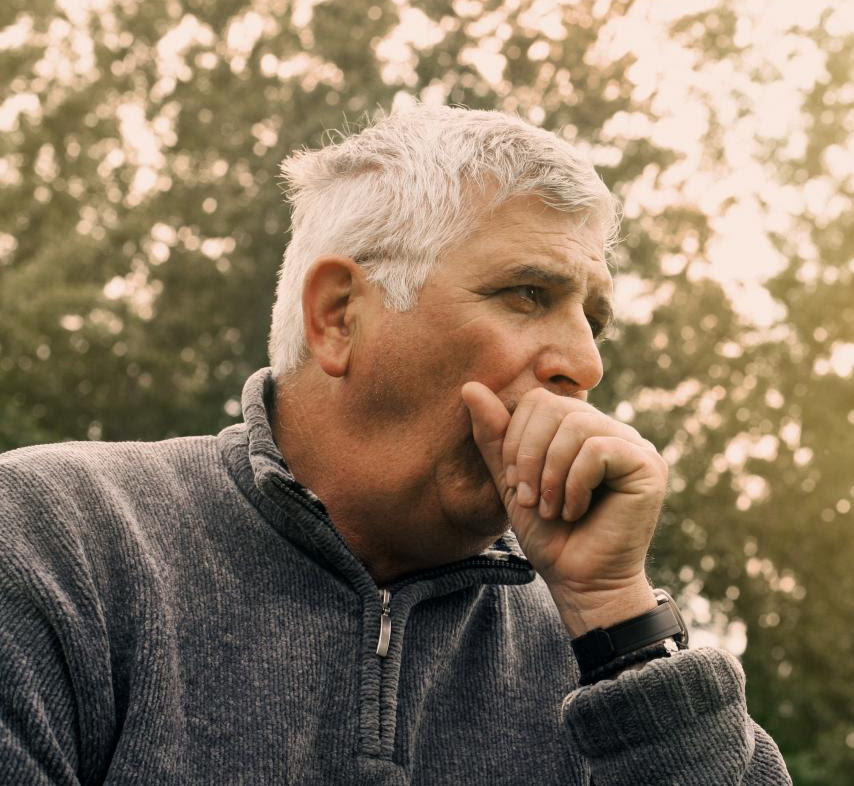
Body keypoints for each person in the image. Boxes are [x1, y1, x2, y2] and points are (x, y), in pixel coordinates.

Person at [0, 105, 791, 785]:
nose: (586, 364)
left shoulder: (593, 642)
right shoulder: (54, 544)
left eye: (594, 319)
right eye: (528, 295)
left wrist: (617, 621)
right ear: (340, 315)